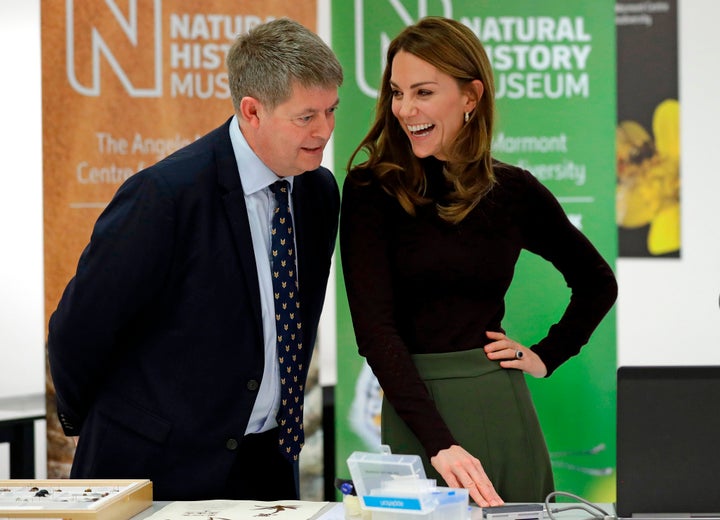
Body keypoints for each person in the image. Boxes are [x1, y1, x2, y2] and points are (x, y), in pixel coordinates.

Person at [47, 17, 342, 501]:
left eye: (330, 110)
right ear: (252, 111)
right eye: (305, 117)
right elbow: (77, 331)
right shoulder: (166, 195)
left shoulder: (318, 194)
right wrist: (98, 424)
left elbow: (293, 322)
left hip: (266, 466)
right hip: (157, 468)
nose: (325, 130)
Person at [340, 17, 618, 507]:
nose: (405, 109)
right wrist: (440, 444)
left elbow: (597, 282)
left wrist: (547, 354)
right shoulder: (370, 191)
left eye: (423, 92)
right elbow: (375, 332)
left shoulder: (512, 191)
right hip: (414, 414)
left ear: (470, 97)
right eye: (397, 92)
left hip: (499, 404)